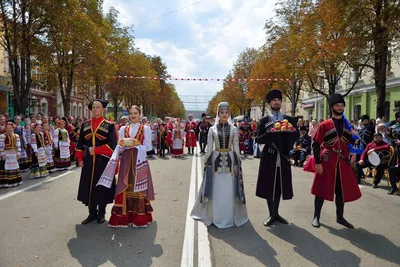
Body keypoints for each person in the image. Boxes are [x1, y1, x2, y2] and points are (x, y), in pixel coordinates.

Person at [191, 102, 248, 228]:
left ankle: (228, 216)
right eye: (222, 112)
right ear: (218, 114)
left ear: (229, 114)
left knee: (228, 189)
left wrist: (237, 164)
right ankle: (214, 216)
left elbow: (236, 147)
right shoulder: (212, 129)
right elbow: (209, 148)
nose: (224, 114)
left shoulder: (233, 129)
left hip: (230, 160)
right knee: (216, 189)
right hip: (216, 160)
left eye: (226, 112)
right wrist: (208, 164)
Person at [311, 94, 362, 229]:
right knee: (321, 189)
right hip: (327, 160)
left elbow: (351, 143)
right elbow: (316, 144)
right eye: (337, 105)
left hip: (343, 162)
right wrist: (318, 162)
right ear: (332, 107)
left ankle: (340, 217)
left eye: (342, 105)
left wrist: (355, 138)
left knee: (341, 190)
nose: (340, 108)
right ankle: (316, 216)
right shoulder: (325, 125)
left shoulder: (348, 126)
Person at [104, 105, 155, 228]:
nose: (133, 116)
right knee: (124, 185)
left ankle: (139, 216)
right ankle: (123, 217)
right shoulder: (123, 129)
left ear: (139, 114)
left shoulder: (145, 128)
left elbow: (148, 147)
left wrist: (136, 144)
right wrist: (122, 146)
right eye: (131, 113)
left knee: (139, 186)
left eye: (135, 113)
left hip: (140, 159)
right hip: (126, 160)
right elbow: (120, 146)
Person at [255, 89, 299, 227]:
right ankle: (271, 214)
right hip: (269, 156)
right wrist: (270, 135)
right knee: (269, 185)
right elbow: (258, 139)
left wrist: (291, 134)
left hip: (284, 156)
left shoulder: (288, 119)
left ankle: (276, 213)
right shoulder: (264, 120)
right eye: (274, 100)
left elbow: (296, 136)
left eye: (278, 100)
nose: (276, 102)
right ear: (269, 104)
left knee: (279, 185)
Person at [76, 99, 117, 225]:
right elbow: (80, 143)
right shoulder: (85, 125)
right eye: (93, 107)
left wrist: (97, 150)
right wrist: (80, 158)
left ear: (103, 109)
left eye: (98, 107)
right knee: (89, 185)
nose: (95, 109)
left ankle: (102, 213)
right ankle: (91, 213)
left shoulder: (109, 125)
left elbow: (112, 145)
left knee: (101, 186)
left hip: (102, 160)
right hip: (88, 160)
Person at [0, 122, 23, 187]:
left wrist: (18, 153)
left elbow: (18, 146)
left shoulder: (16, 136)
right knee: (6, 168)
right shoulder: (2, 136)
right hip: (6, 155)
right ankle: (6, 183)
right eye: (7, 128)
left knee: (14, 167)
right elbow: (1, 146)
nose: (9, 129)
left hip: (14, 155)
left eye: (10, 128)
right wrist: (2, 154)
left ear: (13, 129)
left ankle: (15, 181)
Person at [387, 112, 400, 195]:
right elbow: (390, 137)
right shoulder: (393, 127)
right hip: (396, 152)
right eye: (399, 117)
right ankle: (394, 187)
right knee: (391, 169)